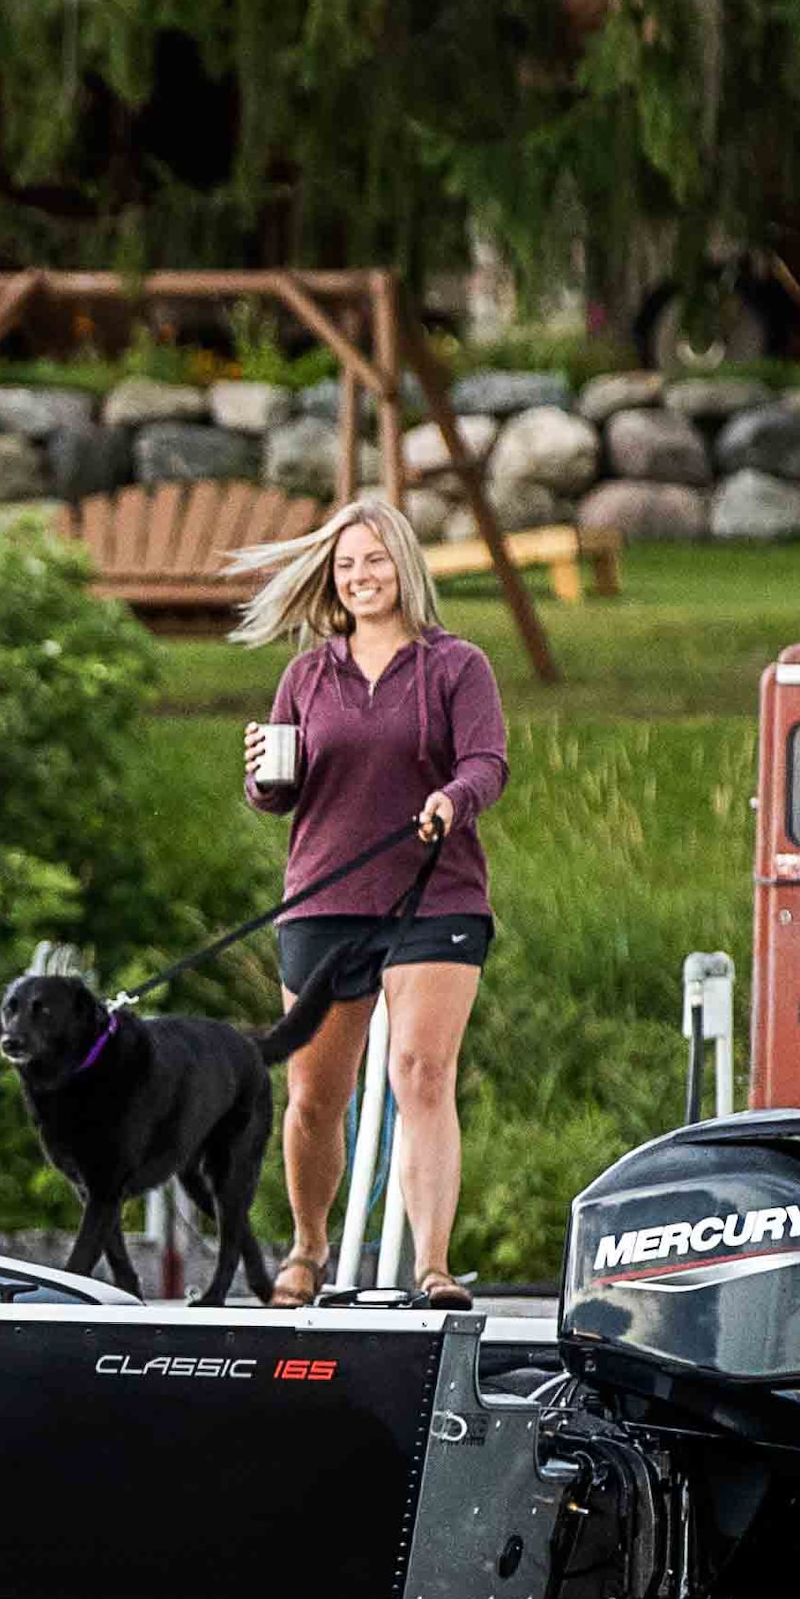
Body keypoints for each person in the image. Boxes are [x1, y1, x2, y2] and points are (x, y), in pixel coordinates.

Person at [232, 494, 508, 1298]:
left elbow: (488, 761)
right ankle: (308, 1249)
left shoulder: (458, 665)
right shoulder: (307, 675)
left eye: (376, 560)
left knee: (422, 1071)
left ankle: (432, 1266)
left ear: (405, 568)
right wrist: (261, 771)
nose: (361, 576)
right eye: (347, 564)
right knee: (316, 1095)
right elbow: (276, 798)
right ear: (332, 579)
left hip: (436, 894)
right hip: (323, 899)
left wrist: (452, 799)